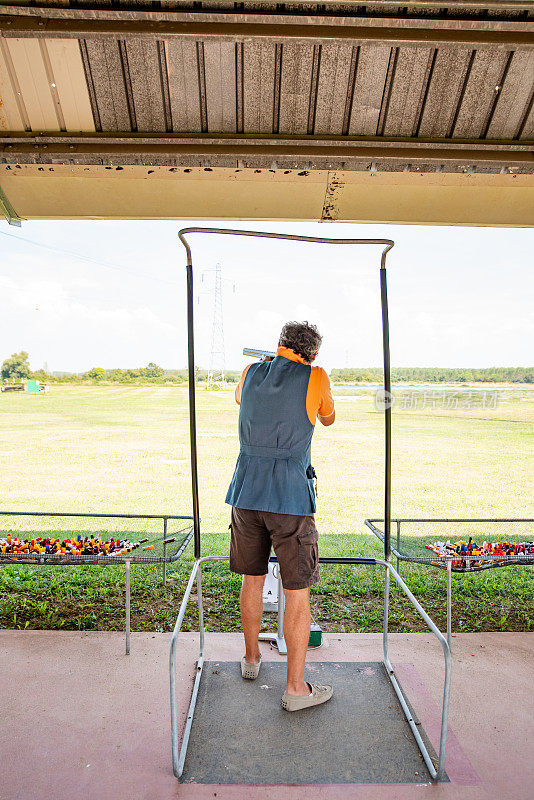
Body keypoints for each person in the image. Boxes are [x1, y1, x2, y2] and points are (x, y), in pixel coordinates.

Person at [226, 320, 335, 711]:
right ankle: (294, 690)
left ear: (280, 345)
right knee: (297, 591)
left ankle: (252, 660)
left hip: (246, 493)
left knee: (252, 580)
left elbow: (242, 399)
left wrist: (268, 364)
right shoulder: (316, 376)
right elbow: (327, 417)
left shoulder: (252, 371)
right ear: (312, 353)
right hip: (290, 497)